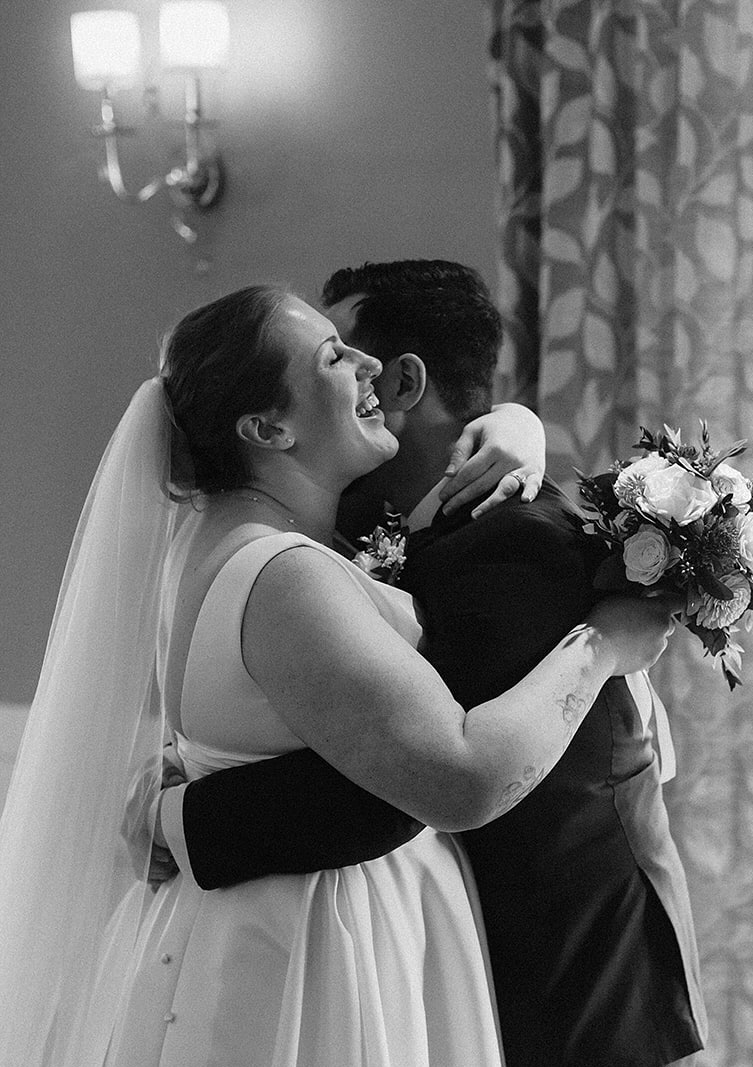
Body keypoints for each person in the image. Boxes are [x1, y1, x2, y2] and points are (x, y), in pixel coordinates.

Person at [0, 284, 679, 1067]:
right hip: (319, 946)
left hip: (313, 920)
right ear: (267, 427)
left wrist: (518, 425)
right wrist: (603, 642)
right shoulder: (285, 572)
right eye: (333, 355)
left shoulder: (257, 534)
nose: (368, 368)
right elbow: (459, 778)